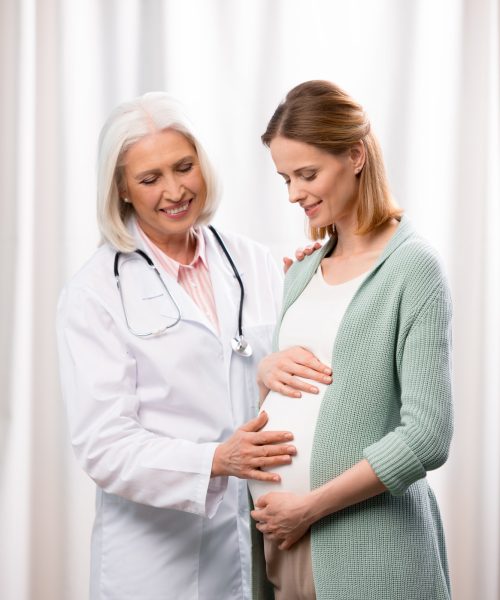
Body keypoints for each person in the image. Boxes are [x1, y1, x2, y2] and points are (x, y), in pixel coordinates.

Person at [56, 92, 331, 600]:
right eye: (149, 178)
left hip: (252, 538)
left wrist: (312, 290)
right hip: (152, 562)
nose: (175, 190)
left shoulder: (253, 262)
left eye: (184, 167)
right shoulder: (95, 292)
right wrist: (214, 461)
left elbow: (285, 371)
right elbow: (104, 446)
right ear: (120, 189)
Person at [249, 80, 453, 600]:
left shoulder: (413, 269)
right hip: (283, 548)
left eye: (307, 174)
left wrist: (310, 506)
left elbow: (428, 435)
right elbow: (293, 391)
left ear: (356, 155)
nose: (294, 193)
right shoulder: (301, 273)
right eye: (285, 179)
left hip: (369, 553)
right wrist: (264, 371)